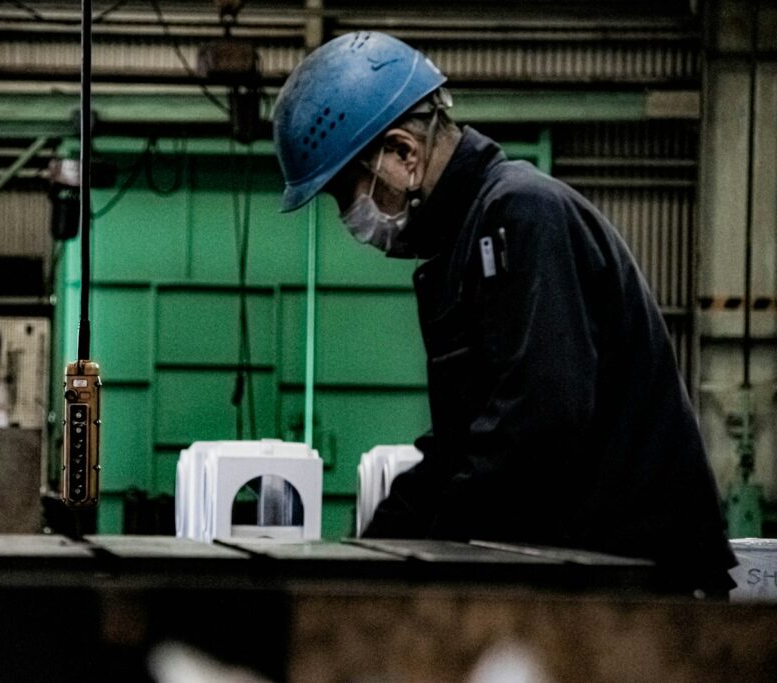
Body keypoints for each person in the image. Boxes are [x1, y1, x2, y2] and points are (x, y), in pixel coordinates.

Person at [271, 31, 736, 597]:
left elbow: (540, 418)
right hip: (592, 565)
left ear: (403, 153)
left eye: (348, 194)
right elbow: (463, 444)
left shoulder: (520, 214)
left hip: (640, 577)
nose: (351, 217)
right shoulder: (468, 242)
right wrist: (375, 546)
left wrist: (432, 553)